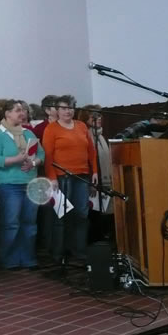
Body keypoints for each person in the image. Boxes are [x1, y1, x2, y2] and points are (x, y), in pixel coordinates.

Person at [0, 99, 45, 269]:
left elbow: (41, 154)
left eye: (23, 110)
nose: (22, 113)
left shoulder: (28, 133)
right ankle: (10, 259)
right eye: (18, 110)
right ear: (7, 113)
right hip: (9, 184)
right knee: (11, 224)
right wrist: (16, 159)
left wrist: (33, 163)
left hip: (30, 182)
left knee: (29, 223)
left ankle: (28, 258)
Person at [43, 95, 97, 264]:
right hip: (61, 177)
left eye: (71, 108)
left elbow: (91, 151)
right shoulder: (51, 129)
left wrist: (94, 171)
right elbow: (48, 156)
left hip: (82, 175)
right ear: (57, 111)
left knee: (81, 214)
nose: (68, 111)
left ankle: (79, 251)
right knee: (61, 216)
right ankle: (58, 253)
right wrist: (52, 177)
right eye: (64, 108)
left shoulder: (81, 126)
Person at [77, 105, 114, 244]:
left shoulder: (101, 136)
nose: (99, 118)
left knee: (105, 215)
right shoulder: (85, 135)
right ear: (86, 118)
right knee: (93, 214)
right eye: (95, 116)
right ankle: (91, 244)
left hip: (105, 181)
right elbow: (86, 160)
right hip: (92, 181)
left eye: (100, 115)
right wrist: (91, 182)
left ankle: (101, 241)